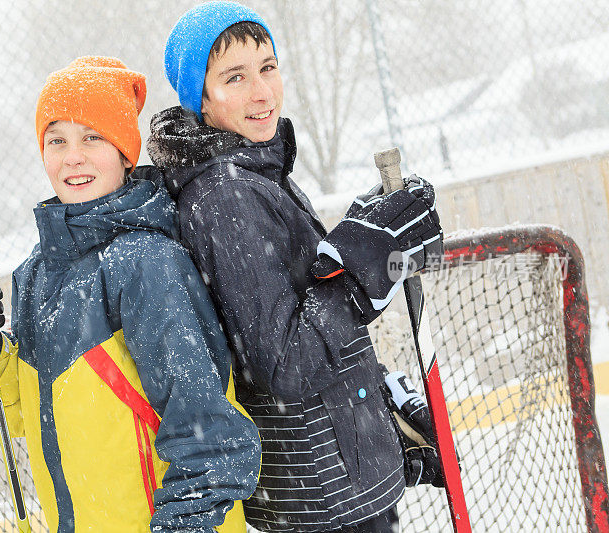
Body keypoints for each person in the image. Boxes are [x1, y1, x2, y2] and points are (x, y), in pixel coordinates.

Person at [147, 2, 444, 532]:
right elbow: (285, 361)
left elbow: (311, 323)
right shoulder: (227, 195)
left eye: (267, 67)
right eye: (234, 77)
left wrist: (382, 416)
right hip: (323, 502)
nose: (261, 92)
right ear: (202, 98)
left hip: (334, 487)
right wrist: (355, 265)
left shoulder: (256, 173)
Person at [0, 55, 261, 533]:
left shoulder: (145, 263)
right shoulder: (34, 274)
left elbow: (211, 438)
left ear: (125, 153)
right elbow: (25, 418)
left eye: (93, 137)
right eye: (57, 140)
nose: (73, 156)